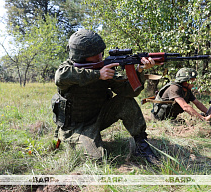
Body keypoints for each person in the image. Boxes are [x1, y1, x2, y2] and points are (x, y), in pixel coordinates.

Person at [52, 29, 159, 164]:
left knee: (125, 100)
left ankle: (141, 145)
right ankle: (73, 141)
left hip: (99, 118)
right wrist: (98, 75)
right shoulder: (67, 69)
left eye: (100, 53)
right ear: (80, 56)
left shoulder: (105, 68)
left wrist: (139, 71)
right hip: (75, 126)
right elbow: (59, 77)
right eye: (94, 55)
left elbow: (130, 92)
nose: (99, 57)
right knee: (97, 160)